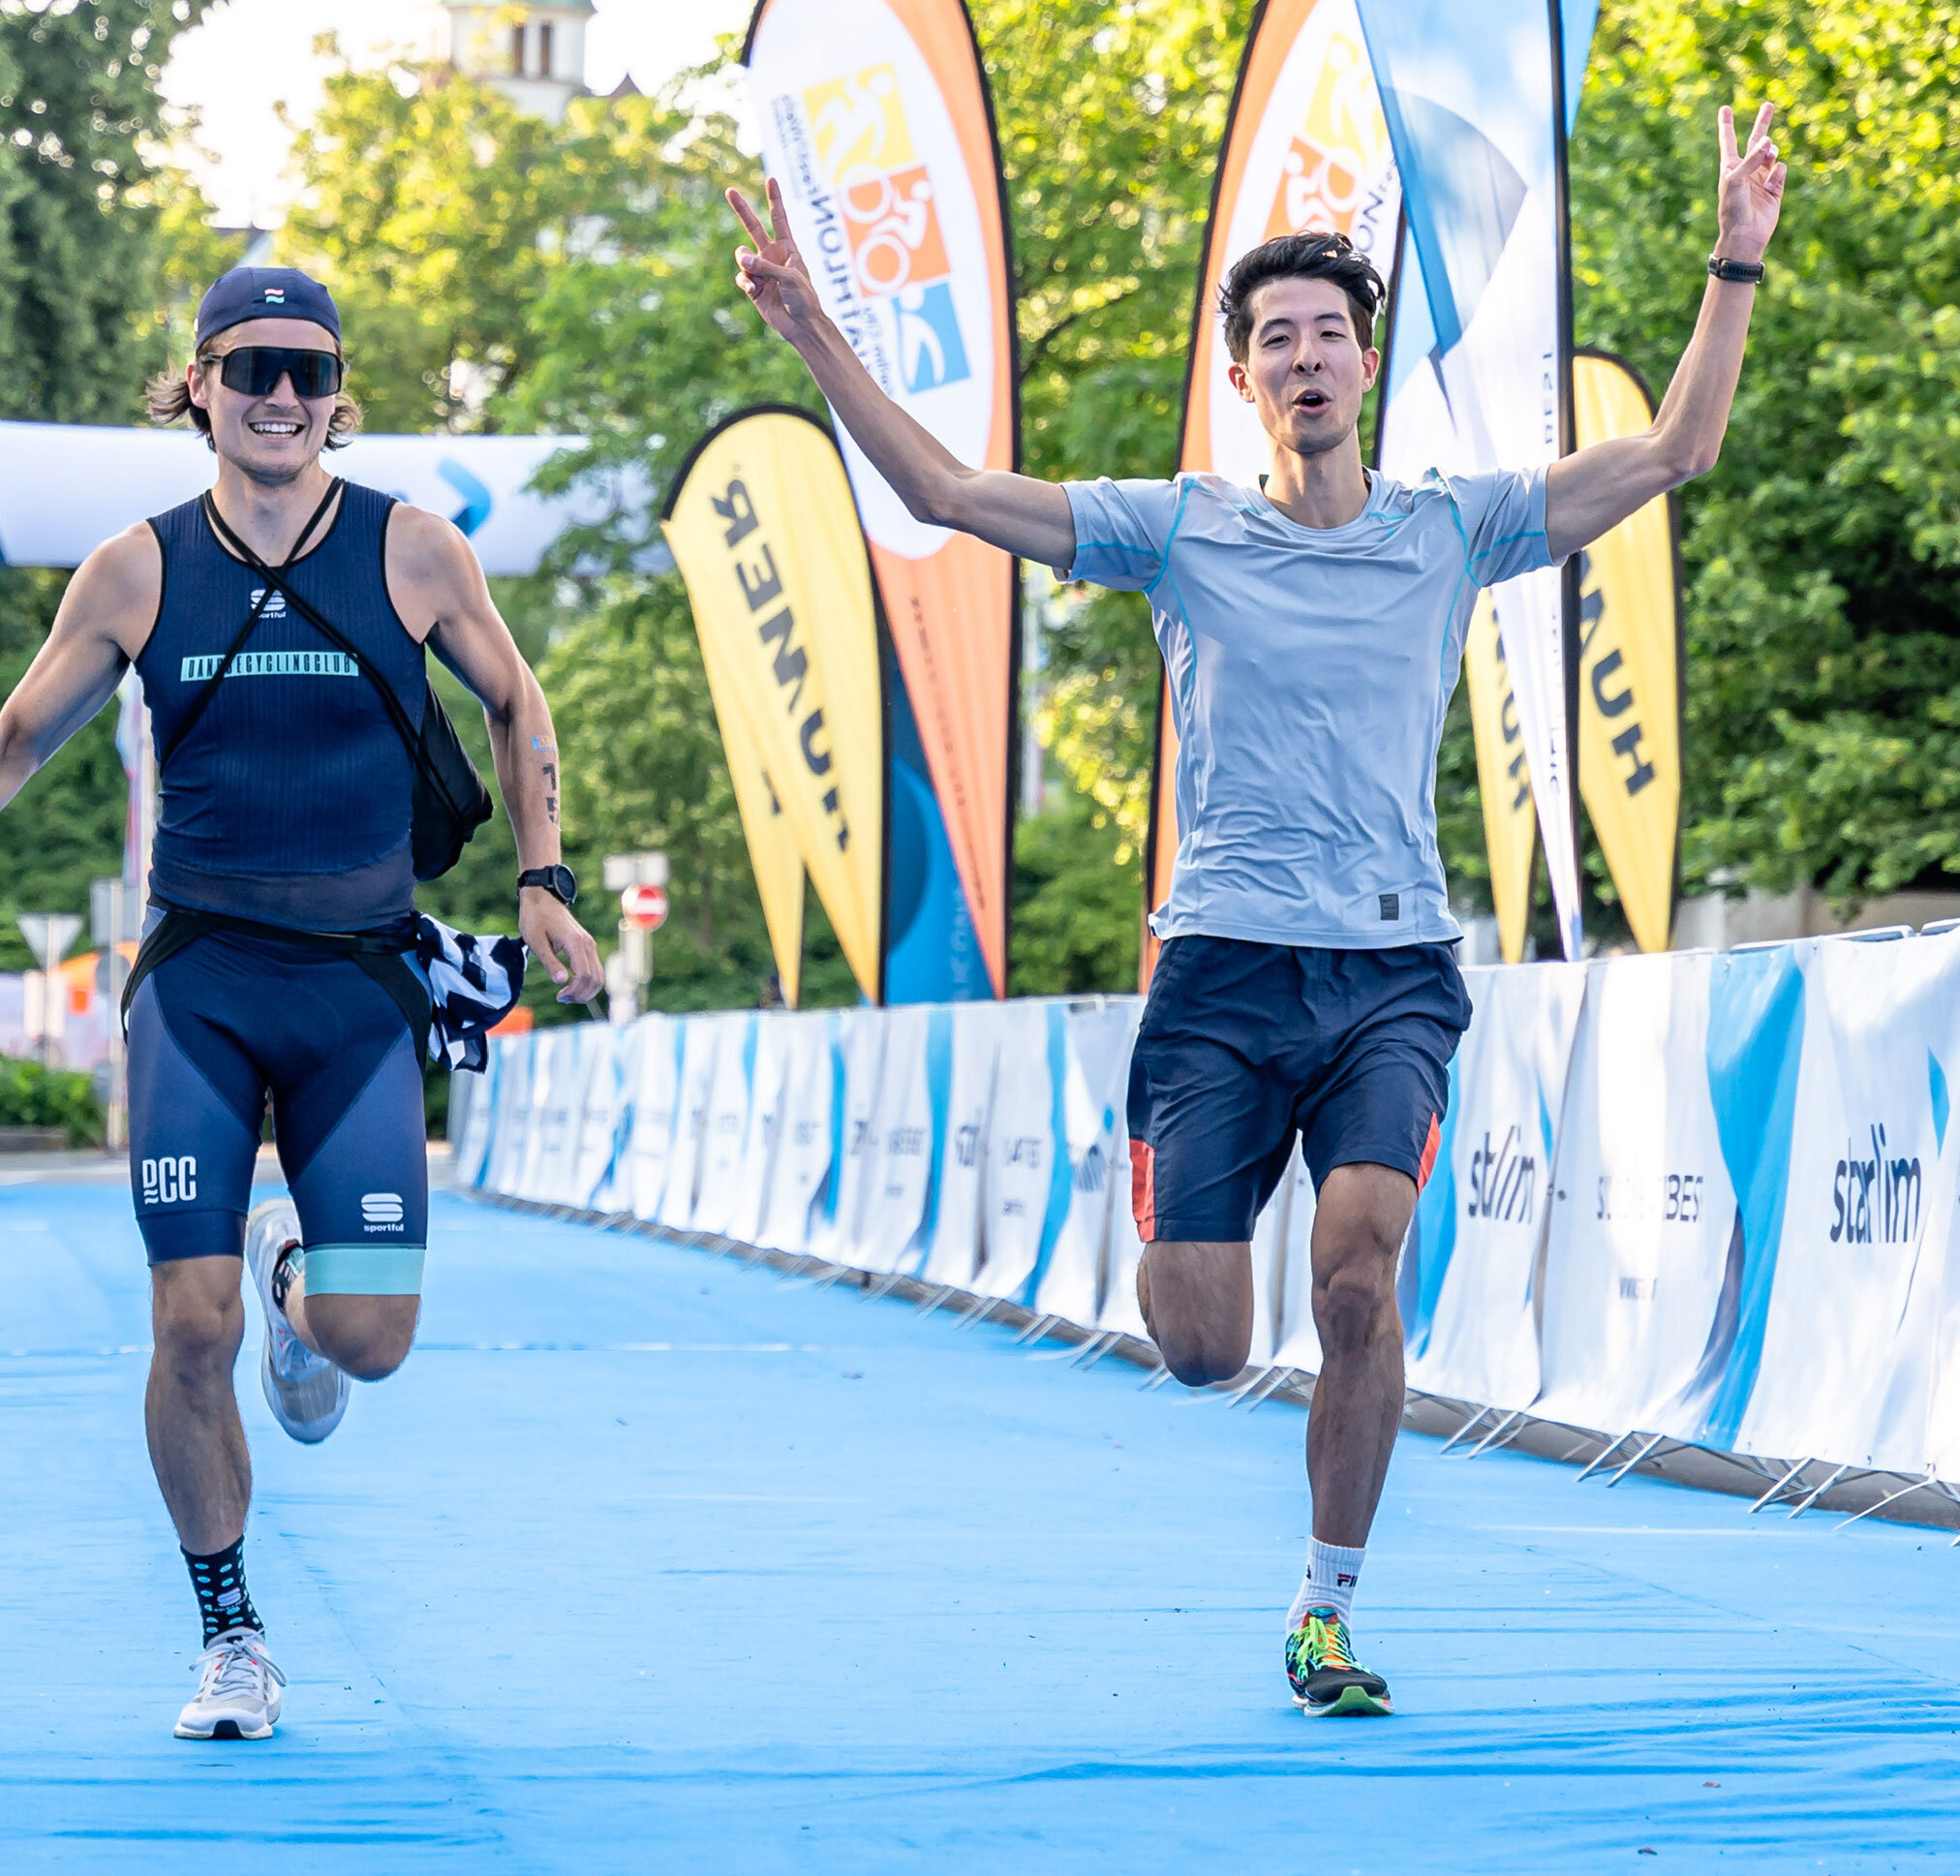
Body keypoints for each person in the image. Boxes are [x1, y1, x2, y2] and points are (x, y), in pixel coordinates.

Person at [727, 101, 1785, 1717]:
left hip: (1391, 976)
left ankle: (1327, 1609)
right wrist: (811, 326)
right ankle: (1166, 1189)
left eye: (1329, 336)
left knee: (1358, 1277)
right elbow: (943, 491)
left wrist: (1734, 259)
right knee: (1207, 1343)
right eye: (1276, 339)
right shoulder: (1179, 532)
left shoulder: (1454, 526)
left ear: (1367, 366)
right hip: (1219, 972)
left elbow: (1673, 453)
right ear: (1244, 379)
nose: (1306, 360)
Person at [0, 263, 603, 1741]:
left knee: (371, 1340)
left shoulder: (418, 549)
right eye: (248, 367)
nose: (277, 396)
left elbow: (518, 702)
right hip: (200, 984)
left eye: (305, 371)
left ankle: (295, 1292)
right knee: (183, 1332)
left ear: (341, 399)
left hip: (360, 988)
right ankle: (231, 1633)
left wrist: (545, 877)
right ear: (197, 384)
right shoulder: (135, 568)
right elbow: (19, 731)